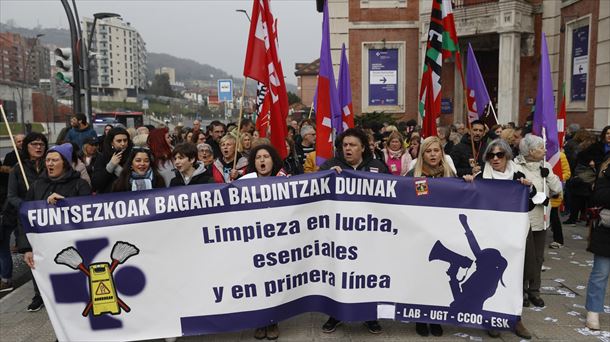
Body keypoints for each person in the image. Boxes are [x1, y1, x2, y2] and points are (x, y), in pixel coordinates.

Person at [463, 139, 534, 339]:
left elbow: (533, 202)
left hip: (514, 236)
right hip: (491, 235)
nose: (495, 159)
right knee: (491, 279)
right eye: (491, 155)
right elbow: (469, 202)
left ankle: (516, 319)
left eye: (499, 155)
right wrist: (468, 184)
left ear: (507, 156)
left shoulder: (518, 175)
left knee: (515, 277)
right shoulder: (481, 177)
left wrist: (528, 189)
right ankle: (492, 318)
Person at [319, 128, 387, 335]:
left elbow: (395, 195)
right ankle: (335, 314)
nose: (347, 149)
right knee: (339, 275)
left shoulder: (377, 167)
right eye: (345, 145)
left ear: (363, 148)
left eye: (353, 145)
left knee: (368, 276)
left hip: (369, 235)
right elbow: (313, 190)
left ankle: (370, 316)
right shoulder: (330, 166)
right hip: (340, 236)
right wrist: (328, 178)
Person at [18, 143, 91, 311]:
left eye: (54, 160)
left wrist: (65, 202)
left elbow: (89, 215)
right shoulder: (37, 186)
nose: (49, 164)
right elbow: (24, 218)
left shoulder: (80, 184)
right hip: (45, 248)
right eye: (47, 160)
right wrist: (26, 248)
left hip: (73, 249)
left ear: (64, 162)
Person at [406, 136, 456, 336]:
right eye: (429, 151)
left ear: (441, 153)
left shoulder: (450, 174)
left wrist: (470, 181)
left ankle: (436, 317)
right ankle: (420, 317)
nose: (433, 154)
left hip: (444, 234)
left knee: (440, 278)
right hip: (420, 235)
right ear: (422, 154)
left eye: (437, 151)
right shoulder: (413, 175)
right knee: (422, 276)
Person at [515, 134, 562, 308]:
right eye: (541, 147)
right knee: (524, 257)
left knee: (538, 258)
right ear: (530, 150)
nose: (544, 150)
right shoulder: (516, 165)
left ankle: (535, 290)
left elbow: (557, 189)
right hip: (525, 219)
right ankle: (521, 290)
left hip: (542, 219)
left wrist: (548, 175)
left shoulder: (546, 166)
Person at [584, 159, 610, 331]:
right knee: (601, 272)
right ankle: (593, 310)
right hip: (606, 232)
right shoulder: (606, 173)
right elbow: (600, 197)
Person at [92, 127, 132, 193]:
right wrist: (111, 166)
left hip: (130, 197)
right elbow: (96, 183)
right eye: (119, 141)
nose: (123, 143)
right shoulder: (103, 157)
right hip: (109, 198)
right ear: (111, 142)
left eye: (125, 140)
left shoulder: (132, 155)